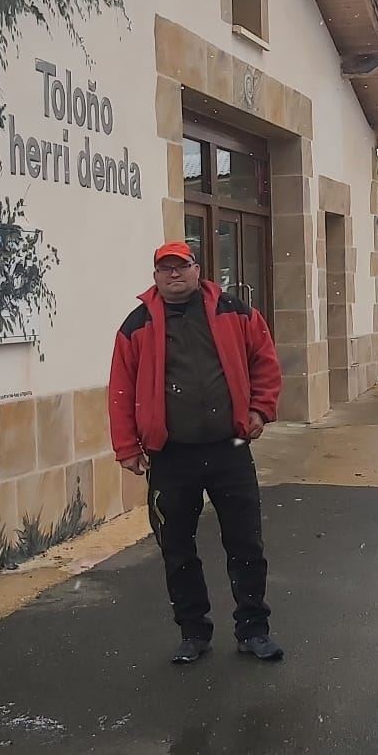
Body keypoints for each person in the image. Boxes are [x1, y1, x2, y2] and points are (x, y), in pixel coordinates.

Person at [108, 241, 285, 664]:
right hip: (171, 457)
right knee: (177, 549)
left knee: (246, 543)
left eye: (181, 266)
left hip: (230, 450)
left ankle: (253, 629)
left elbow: (264, 361)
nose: (174, 275)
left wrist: (260, 409)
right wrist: (127, 447)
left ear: (197, 269)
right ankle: (193, 632)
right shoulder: (136, 326)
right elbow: (121, 389)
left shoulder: (235, 312)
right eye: (165, 269)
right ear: (155, 276)